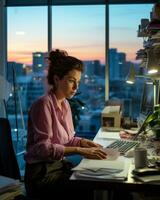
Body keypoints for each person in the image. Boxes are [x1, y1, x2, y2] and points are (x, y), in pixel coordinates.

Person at [24, 49, 107, 200]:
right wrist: (79, 150)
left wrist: (82, 142)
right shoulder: (43, 105)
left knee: (95, 178)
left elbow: (65, 140)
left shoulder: (65, 105)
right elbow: (44, 149)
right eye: (71, 80)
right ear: (56, 79)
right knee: (88, 187)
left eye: (78, 82)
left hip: (57, 167)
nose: (76, 87)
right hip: (42, 175)